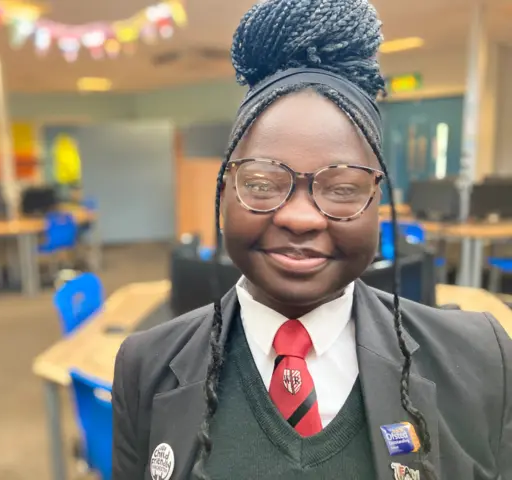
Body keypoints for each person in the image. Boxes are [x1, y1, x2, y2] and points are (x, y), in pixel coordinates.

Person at [111, 0, 511, 479]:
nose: (300, 218)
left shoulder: (482, 358)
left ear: (378, 201)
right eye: (261, 184)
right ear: (223, 195)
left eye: (342, 188)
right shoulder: (146, 367)